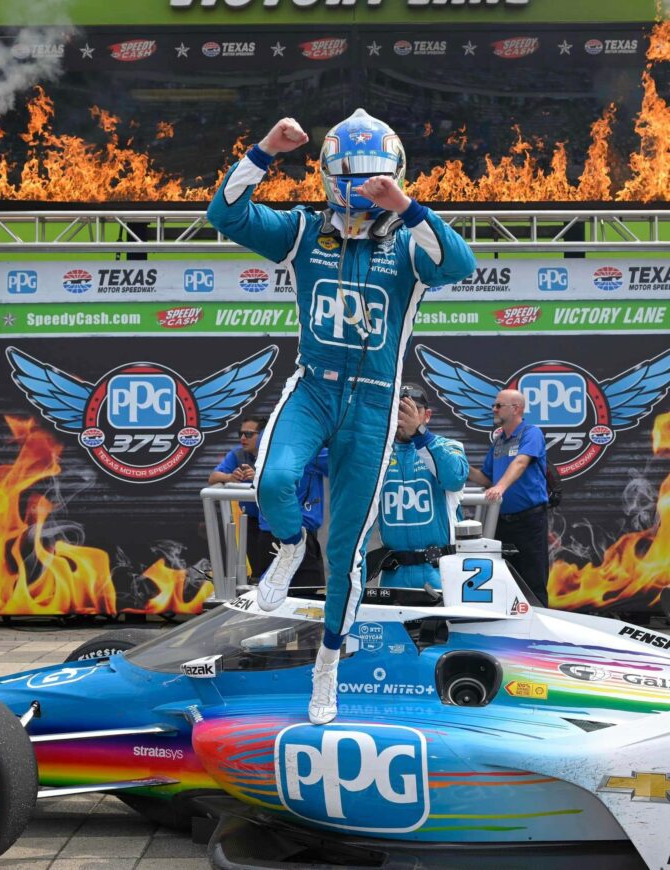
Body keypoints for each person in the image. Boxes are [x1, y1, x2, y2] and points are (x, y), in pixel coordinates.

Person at [207, 109, 476, 724]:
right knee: (274, 480)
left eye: (375, 177)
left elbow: (460, 265)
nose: (362, 187)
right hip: (315, 386)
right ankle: (286, 544)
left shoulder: (411, 240)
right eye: (352, 177)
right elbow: (225, 214)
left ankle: (328, 663)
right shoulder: (304, 229)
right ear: (329, 176)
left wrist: (406, 206)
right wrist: (265, 149)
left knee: (348, 547)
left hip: (375, 400)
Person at [374, 384, 468, 589]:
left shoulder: (449, 445)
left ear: (427, 415)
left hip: (440, 571)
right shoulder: (377, 454)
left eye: (414, 409)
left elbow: (455, 478)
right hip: (394, 575)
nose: (406, 415)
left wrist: (420, 434)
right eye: (399, 409)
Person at [467, 389, 550, 605]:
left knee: (533, 580)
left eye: (498, 405)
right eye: (494, 405)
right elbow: (487, 479)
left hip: (529, 521)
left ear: (516, 409)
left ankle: (540, 630)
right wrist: (457, 465)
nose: (493, 409)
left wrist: (501, 487)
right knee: (505, 581)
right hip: (501, 523)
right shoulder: (499, 441)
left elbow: (521, 463)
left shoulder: (531, 433)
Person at [258, 449, 329, 588]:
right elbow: (347, 464)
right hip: (298, 533)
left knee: (269, 590)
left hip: (268, 530)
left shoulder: (270, 445)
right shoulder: (310, 450)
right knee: (308, 595)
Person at [208, 416, 268, 578]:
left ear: (263, 435)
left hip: (275, 520)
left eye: (248, 434)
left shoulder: (275, 453)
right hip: (252, 520)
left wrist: (259, 477)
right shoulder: (237, 454)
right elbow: (213, 477)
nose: (242, 438)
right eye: (240, 433)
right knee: (257, 571)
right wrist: (229, 477)